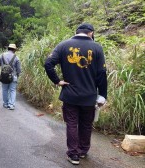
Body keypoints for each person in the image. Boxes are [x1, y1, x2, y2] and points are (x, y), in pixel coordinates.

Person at [44, 23, 107, 165]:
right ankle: (83, 150)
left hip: (70, 95)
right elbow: (102, 73)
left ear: (76, 32)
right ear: (91, 33)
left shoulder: (63, 45)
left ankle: (73, 155)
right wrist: (102, 95)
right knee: (86, 124)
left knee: (72, 124)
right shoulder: (97, 47)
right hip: (89, 96)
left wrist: (57, 81)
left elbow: (48, 64)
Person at [0, 44, 21, 110]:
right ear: (14, 49)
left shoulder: (1, 56)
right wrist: (17, 75)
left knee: (4, 90)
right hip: (13, 76)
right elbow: (19, 69)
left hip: (4, 76)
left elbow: (0, 64)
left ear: (8, 48)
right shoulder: (16, 57)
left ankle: (5, 104)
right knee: (12, 90)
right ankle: (11, 105)